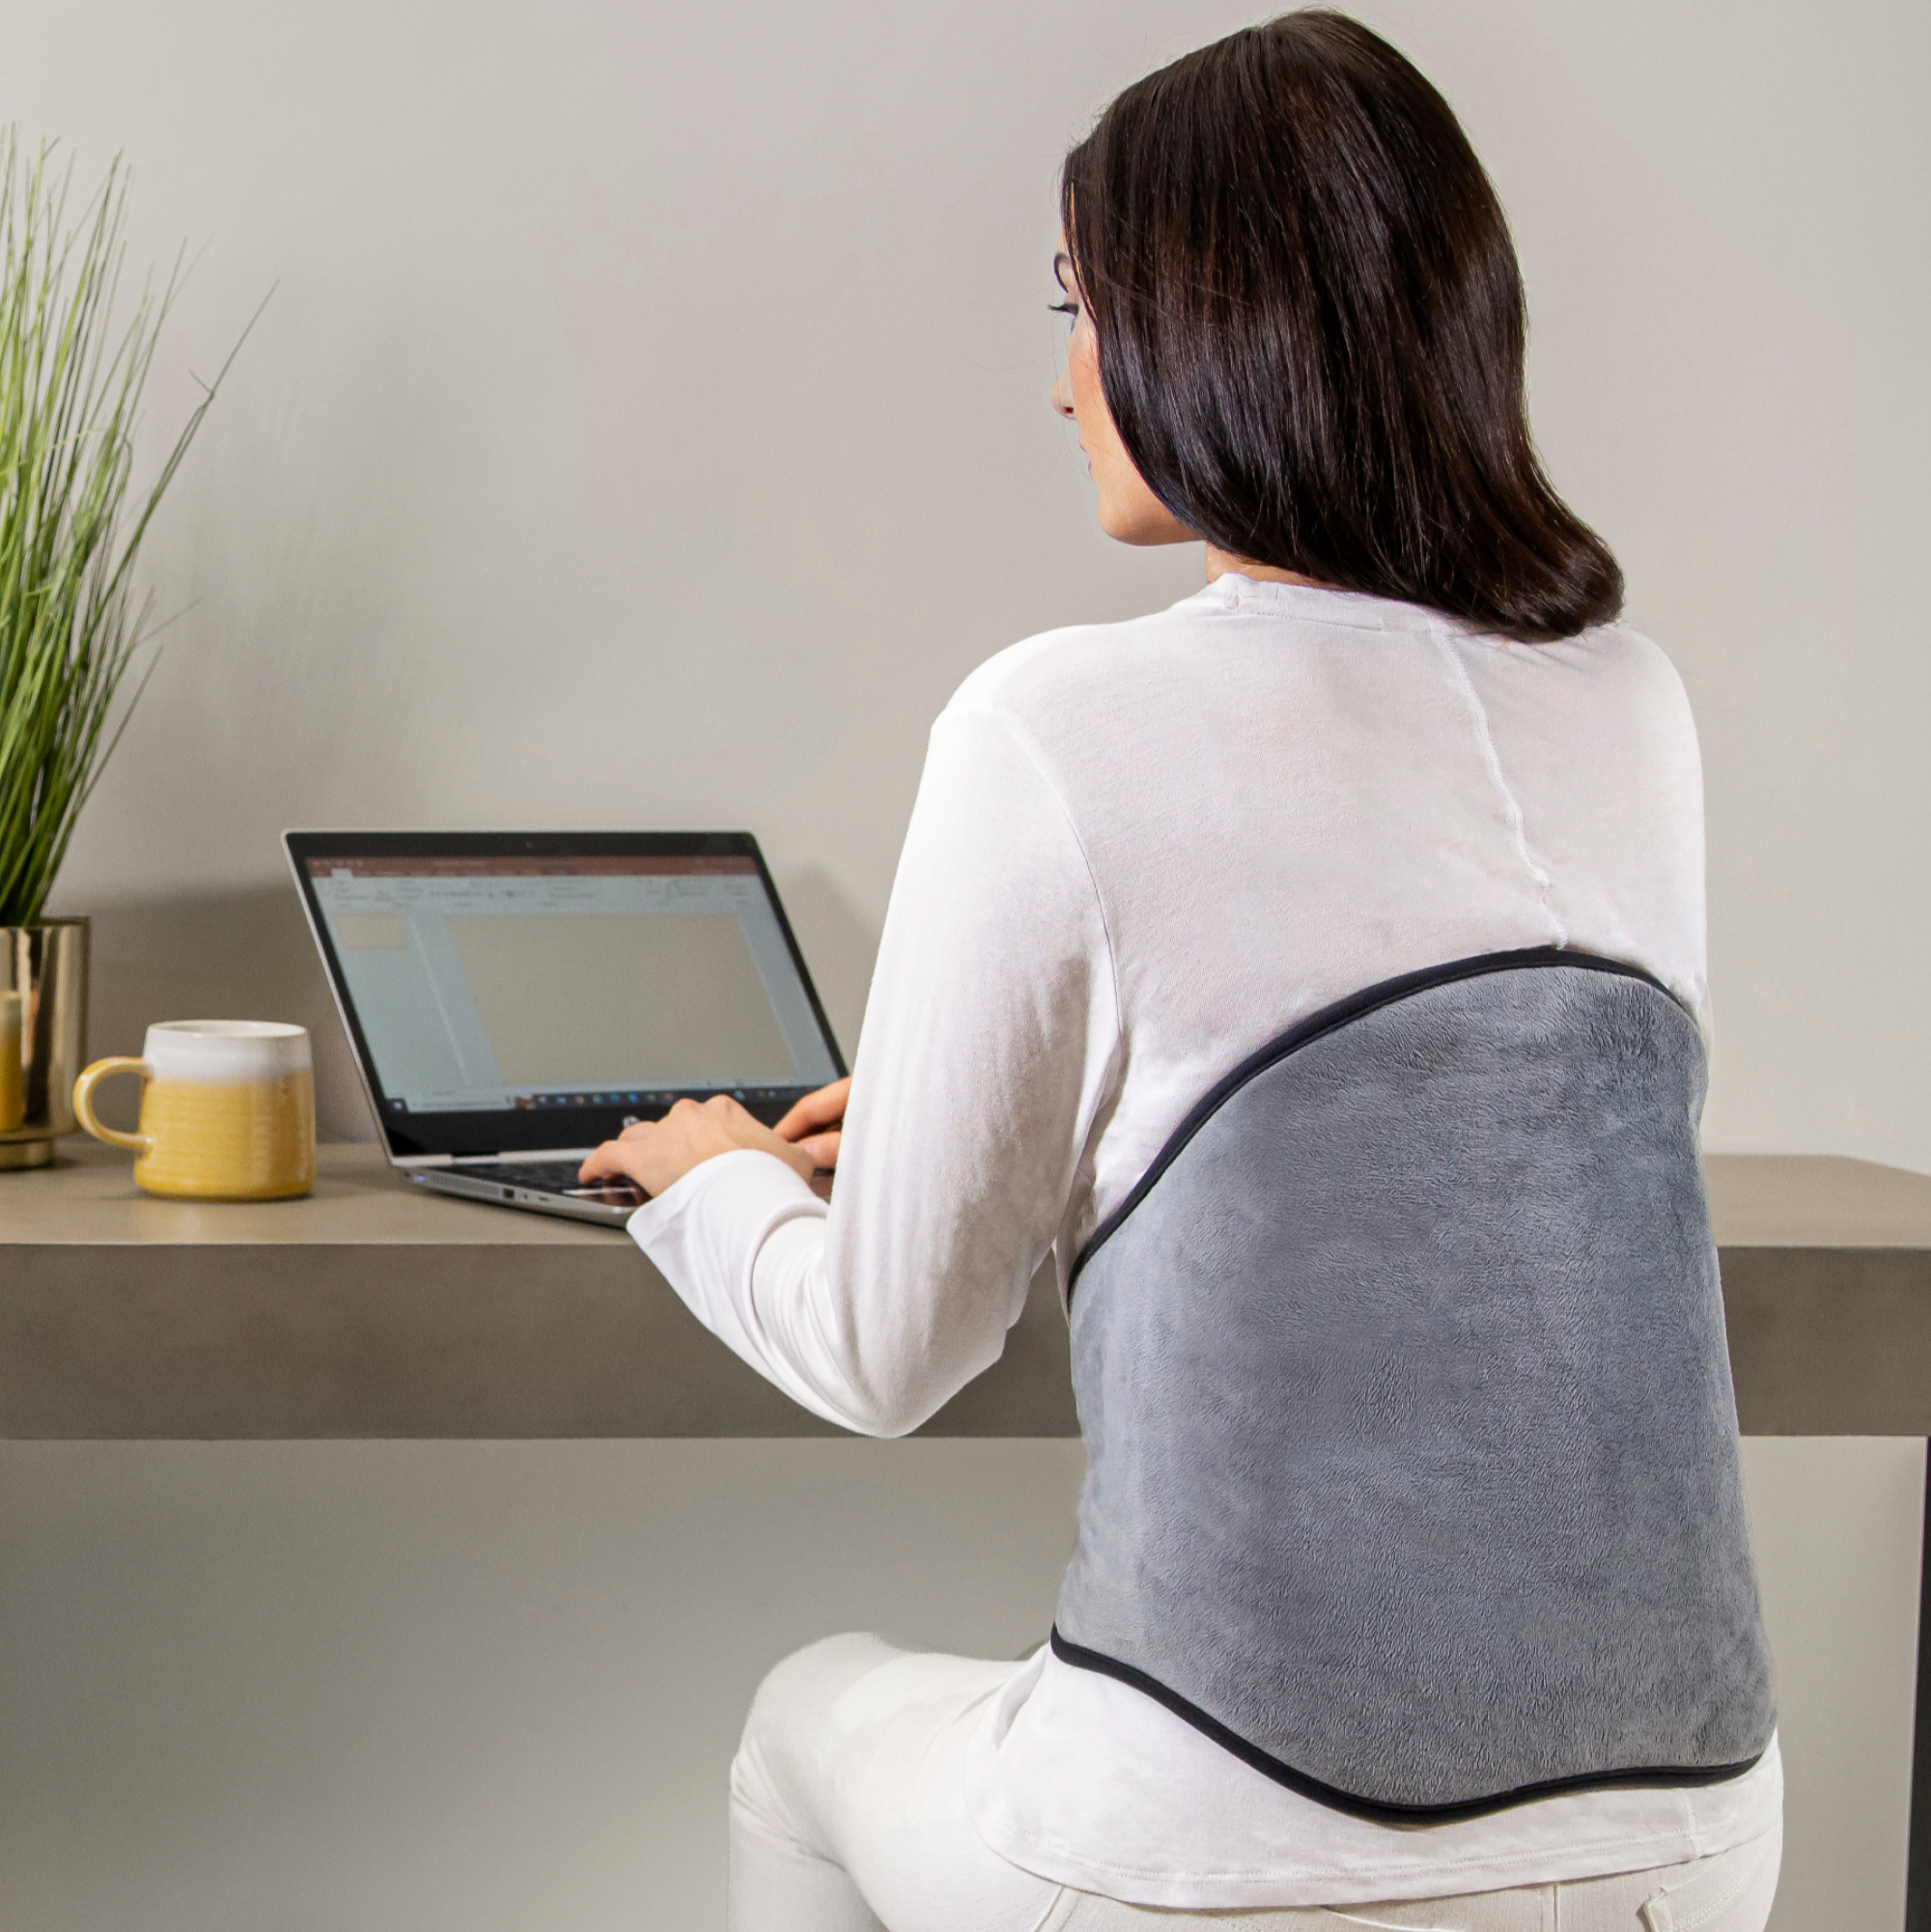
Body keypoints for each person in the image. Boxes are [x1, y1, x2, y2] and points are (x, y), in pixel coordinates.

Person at [580, 12, 1784, 1930]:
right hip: (1695, 1845)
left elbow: (887, 1356)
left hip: (1223, 1852)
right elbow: (1456, 1103)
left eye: (1080, 306)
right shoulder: (1633, 702)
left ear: (1208, 329)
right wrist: (1031, 1121)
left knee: (805, 1718)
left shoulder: (1056, 720)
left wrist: (712, 1175)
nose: (1061, 378)